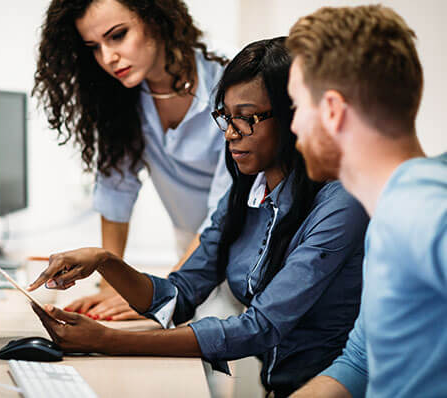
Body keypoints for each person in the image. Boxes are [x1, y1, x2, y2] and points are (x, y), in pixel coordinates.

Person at [28, 38, 369, 397]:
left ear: (294, 117)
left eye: (248, 118)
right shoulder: (247, 189)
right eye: (226, 116)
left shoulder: (340, 202)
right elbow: (180, 294)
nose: (231, 133)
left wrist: (109, 341)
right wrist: (105, 261)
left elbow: (261, 326)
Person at [33, 0, 238, 321]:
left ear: (155, 18)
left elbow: (223, 213)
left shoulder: (230, 79)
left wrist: (161, 294)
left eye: (117, 35)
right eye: (94, 47)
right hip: (189, 245)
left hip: (240, 246)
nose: (107, 57)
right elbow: (116, 192)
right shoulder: (123, 93)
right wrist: (110, 282)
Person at [286, 5, 447, 398]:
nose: (293, 126)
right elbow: (361, 361)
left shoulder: (417, 209)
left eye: (296, 106)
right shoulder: (391, 213)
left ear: (332, 111)